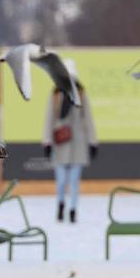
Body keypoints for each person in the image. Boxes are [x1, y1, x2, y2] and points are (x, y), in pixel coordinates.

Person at [42, 62, 98, 224]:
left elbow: (88, 118)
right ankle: (60, 204)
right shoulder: (55, 94)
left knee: (74, 182)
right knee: (60, 182)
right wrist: (47, 142)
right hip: (60, 142)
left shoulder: (81, 93)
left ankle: (73, 210)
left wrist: (93, 142)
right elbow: (49, 118)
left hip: (78, 144)